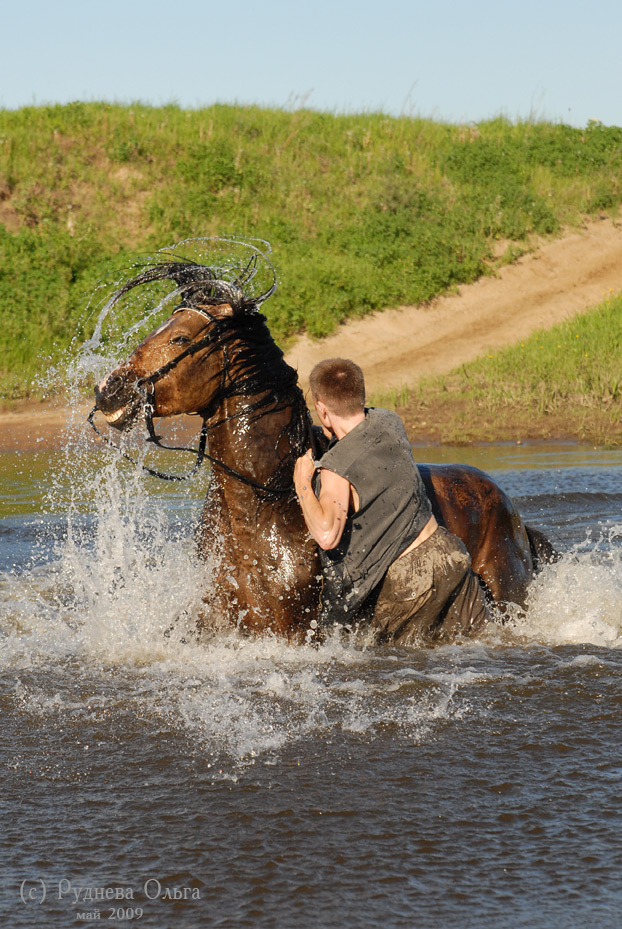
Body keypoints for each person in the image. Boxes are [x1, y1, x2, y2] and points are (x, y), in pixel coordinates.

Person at [293, 358, 489, 646]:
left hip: (411, 579)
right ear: (360, 395)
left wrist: (303, 485)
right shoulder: (389, 421)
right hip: (448, 553)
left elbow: (327, 535)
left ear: (322, 409)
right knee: (488, 648)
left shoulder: (335, 469)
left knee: (396, 671)